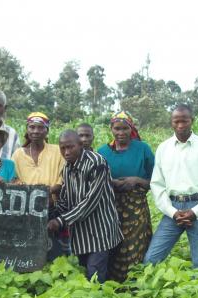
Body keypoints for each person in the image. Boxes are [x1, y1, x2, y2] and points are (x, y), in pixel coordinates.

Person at [144, 105, 198, 269]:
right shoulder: (163, 148)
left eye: (184, 121)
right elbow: (157, 185)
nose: (180, 125)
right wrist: (173, 213)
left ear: (191, 121)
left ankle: (195, 290)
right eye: (176, 121)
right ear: (171, 122)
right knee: (152, 258)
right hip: (173, 209)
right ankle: (147, 291)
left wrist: (196, 212)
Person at [48, 130, 122, 283]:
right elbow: (66, 199)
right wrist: (51, 211)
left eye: (70, 147)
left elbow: (89, 202)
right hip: (81, 234)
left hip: (100, 230)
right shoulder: (67, 168)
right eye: (63, 148)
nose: (66, 152)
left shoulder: (96, 163)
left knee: (94, 275)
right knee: (85, 272)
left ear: (80, 145)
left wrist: (60, 221)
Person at [97, 111, 154, 281]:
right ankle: (112, 283)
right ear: (111, 129)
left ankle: (134, 283)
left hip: (135, 207)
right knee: (112, 244)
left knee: (134, 245)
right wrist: (111, 183)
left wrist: (137, 180)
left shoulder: (142, 149)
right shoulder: (103, 152)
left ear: (131, 129)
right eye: (117, 128)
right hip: (110, 206)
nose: (121, 133)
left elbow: (157, 180)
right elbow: (97, 181)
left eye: (125, 128)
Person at [12, 112, 67, 260]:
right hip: (26, 210)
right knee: (28, 250)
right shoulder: (18, 154)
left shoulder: (57, 151)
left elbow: (63, 179)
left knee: (53, 251)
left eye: (40, 128)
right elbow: (14, 179)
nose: (35, 131)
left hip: (52, 208)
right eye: (32, 127)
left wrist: (47, 191)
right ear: (27, 129)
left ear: (46, 130)